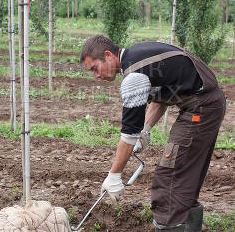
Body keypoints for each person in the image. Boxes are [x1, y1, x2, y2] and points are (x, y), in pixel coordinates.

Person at [80, 35, 226, 232]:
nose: (96, 76)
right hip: (206, 104)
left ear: (108, 55)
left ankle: (169, 226)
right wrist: (146, 130)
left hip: (201, 107)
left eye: (95, 68)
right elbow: (163, 96)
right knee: (185, 177)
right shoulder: (137, 57)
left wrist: (114, 175)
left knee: (168, 178)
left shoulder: (133, 76)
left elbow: (128, 136)